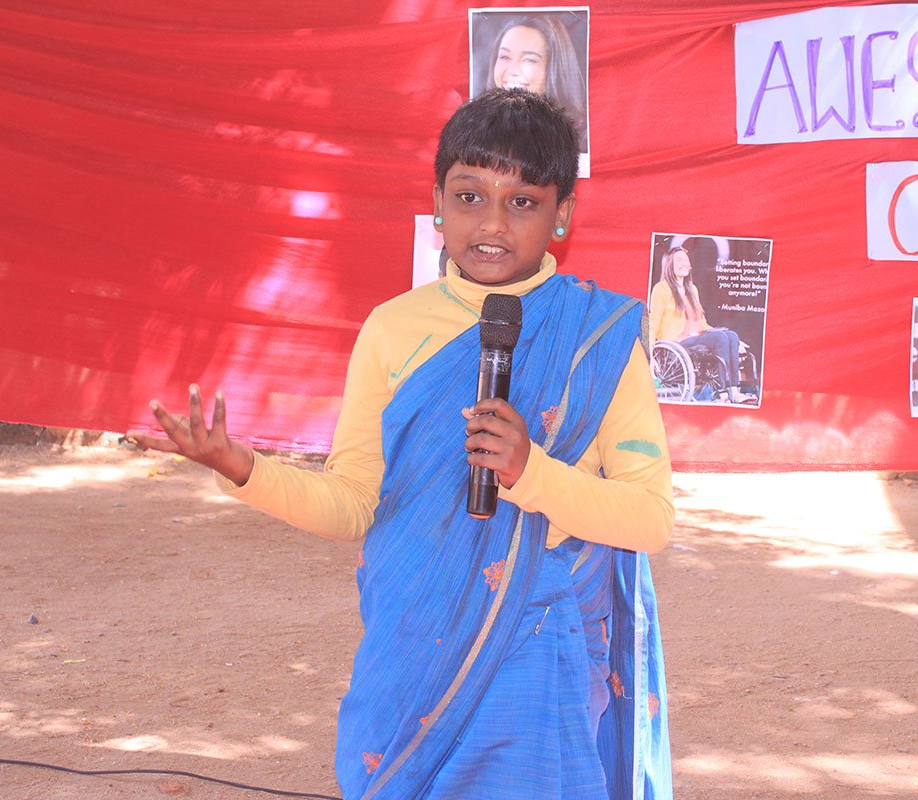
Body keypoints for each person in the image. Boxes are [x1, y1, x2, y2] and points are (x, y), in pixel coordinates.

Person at [129, 89, 674, 800]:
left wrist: (532, 473)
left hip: (539, 647)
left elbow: (651, 520)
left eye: (522, 202)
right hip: (415, 639)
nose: (492, 223)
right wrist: (242, 469)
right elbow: (354, 504)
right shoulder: (392, 329)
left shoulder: (598, 337)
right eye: (470, 196)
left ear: (563, 213)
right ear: (437, 204)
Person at [648, 242, 748, 403]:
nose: (684, 263)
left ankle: (734, 390)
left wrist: (735, 343)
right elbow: (653, 321)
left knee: (731, 335)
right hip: (677, 342)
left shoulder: (692, 289)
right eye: (679, 260)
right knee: (721, 338)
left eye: (686, 260)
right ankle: (722, 393)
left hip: (697, 336)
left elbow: (702, 323)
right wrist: (650, 352)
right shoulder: (662, 289)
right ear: (670, 265)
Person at [483, 16, 589, 151]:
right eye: (505, 57)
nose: (512, 70)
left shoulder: (579, 138)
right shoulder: (479, 129)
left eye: (529, 60)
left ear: (555, 68)